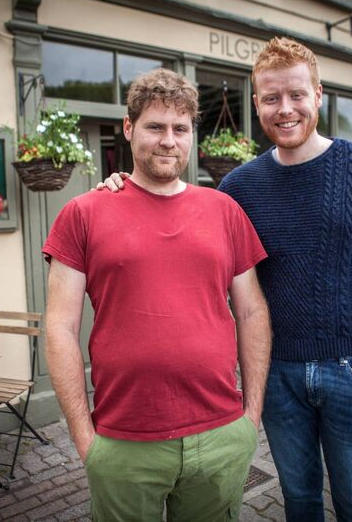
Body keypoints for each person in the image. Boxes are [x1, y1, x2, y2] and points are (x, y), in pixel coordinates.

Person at [100, 38, 352, 521]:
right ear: (257, 104)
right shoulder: (239, 187)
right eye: (271, 98)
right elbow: (176, 210)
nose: (285, 109)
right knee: (298, 502)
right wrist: (118, 187)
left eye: (296, 95)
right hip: (278, 379)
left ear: (318, 94)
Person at [43, 68, 272, 522]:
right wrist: (85, 439)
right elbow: (59, 326)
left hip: (221, 432)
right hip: (124, 442)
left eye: (180, 129)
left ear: (191, 135)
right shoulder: (83, 213)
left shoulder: (223, 210)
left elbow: (252, 312)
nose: (168, 140)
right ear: (128, 129)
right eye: (155, 126)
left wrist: (251, 417)